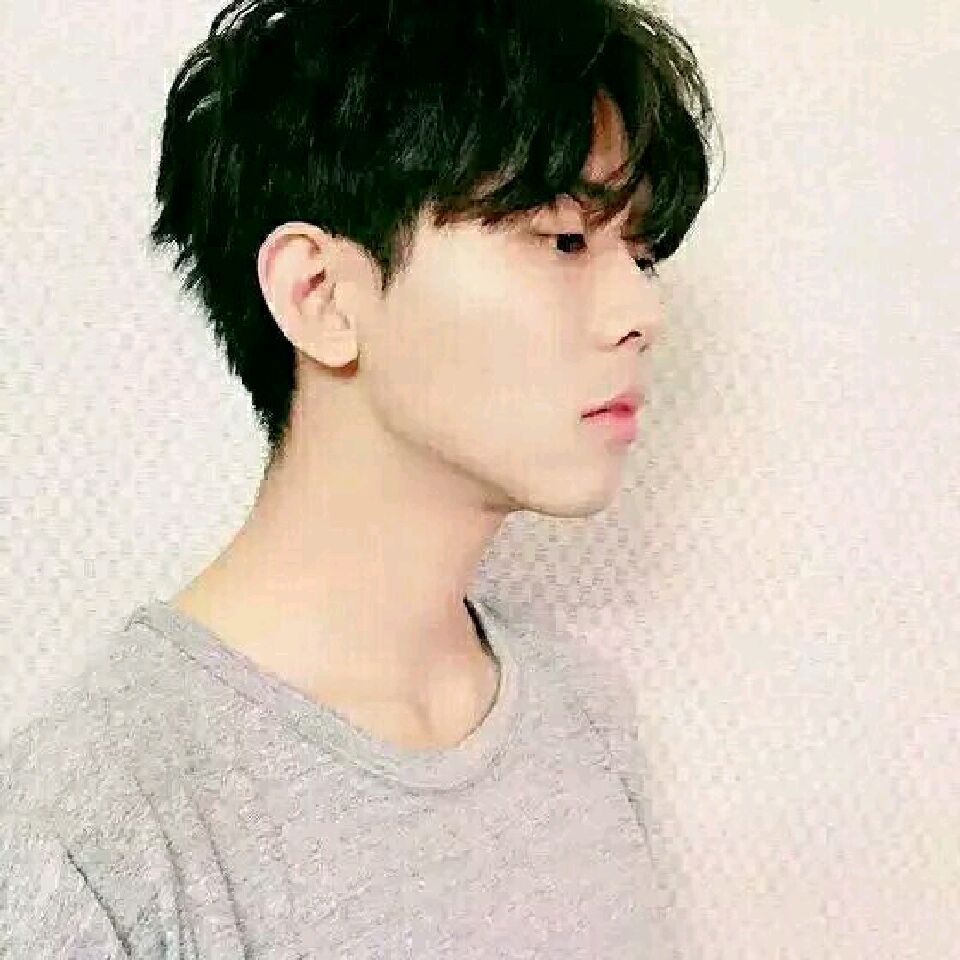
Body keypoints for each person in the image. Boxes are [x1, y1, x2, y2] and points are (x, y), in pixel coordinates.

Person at [1, 0, 720, 955]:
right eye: (563, 240)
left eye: (641, 252)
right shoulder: (92, 837)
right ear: (321, 295)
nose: (641, 312)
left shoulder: (585, 717)